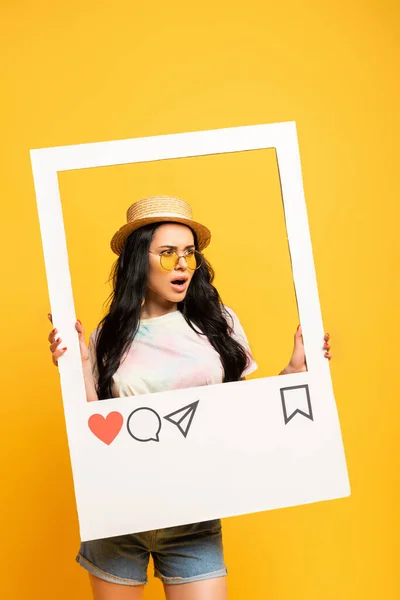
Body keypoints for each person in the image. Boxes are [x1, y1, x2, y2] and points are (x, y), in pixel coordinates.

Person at [47, 195, 332, 600]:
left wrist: (295, 372)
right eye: (166, 254)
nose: (181, 264)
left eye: (189, 254)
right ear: (136, 260)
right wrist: (76, 366)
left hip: (194, 518)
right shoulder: (106, 336)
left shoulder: (218, 322)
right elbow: (95, 426)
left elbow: (242, 412)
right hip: (120, 512)